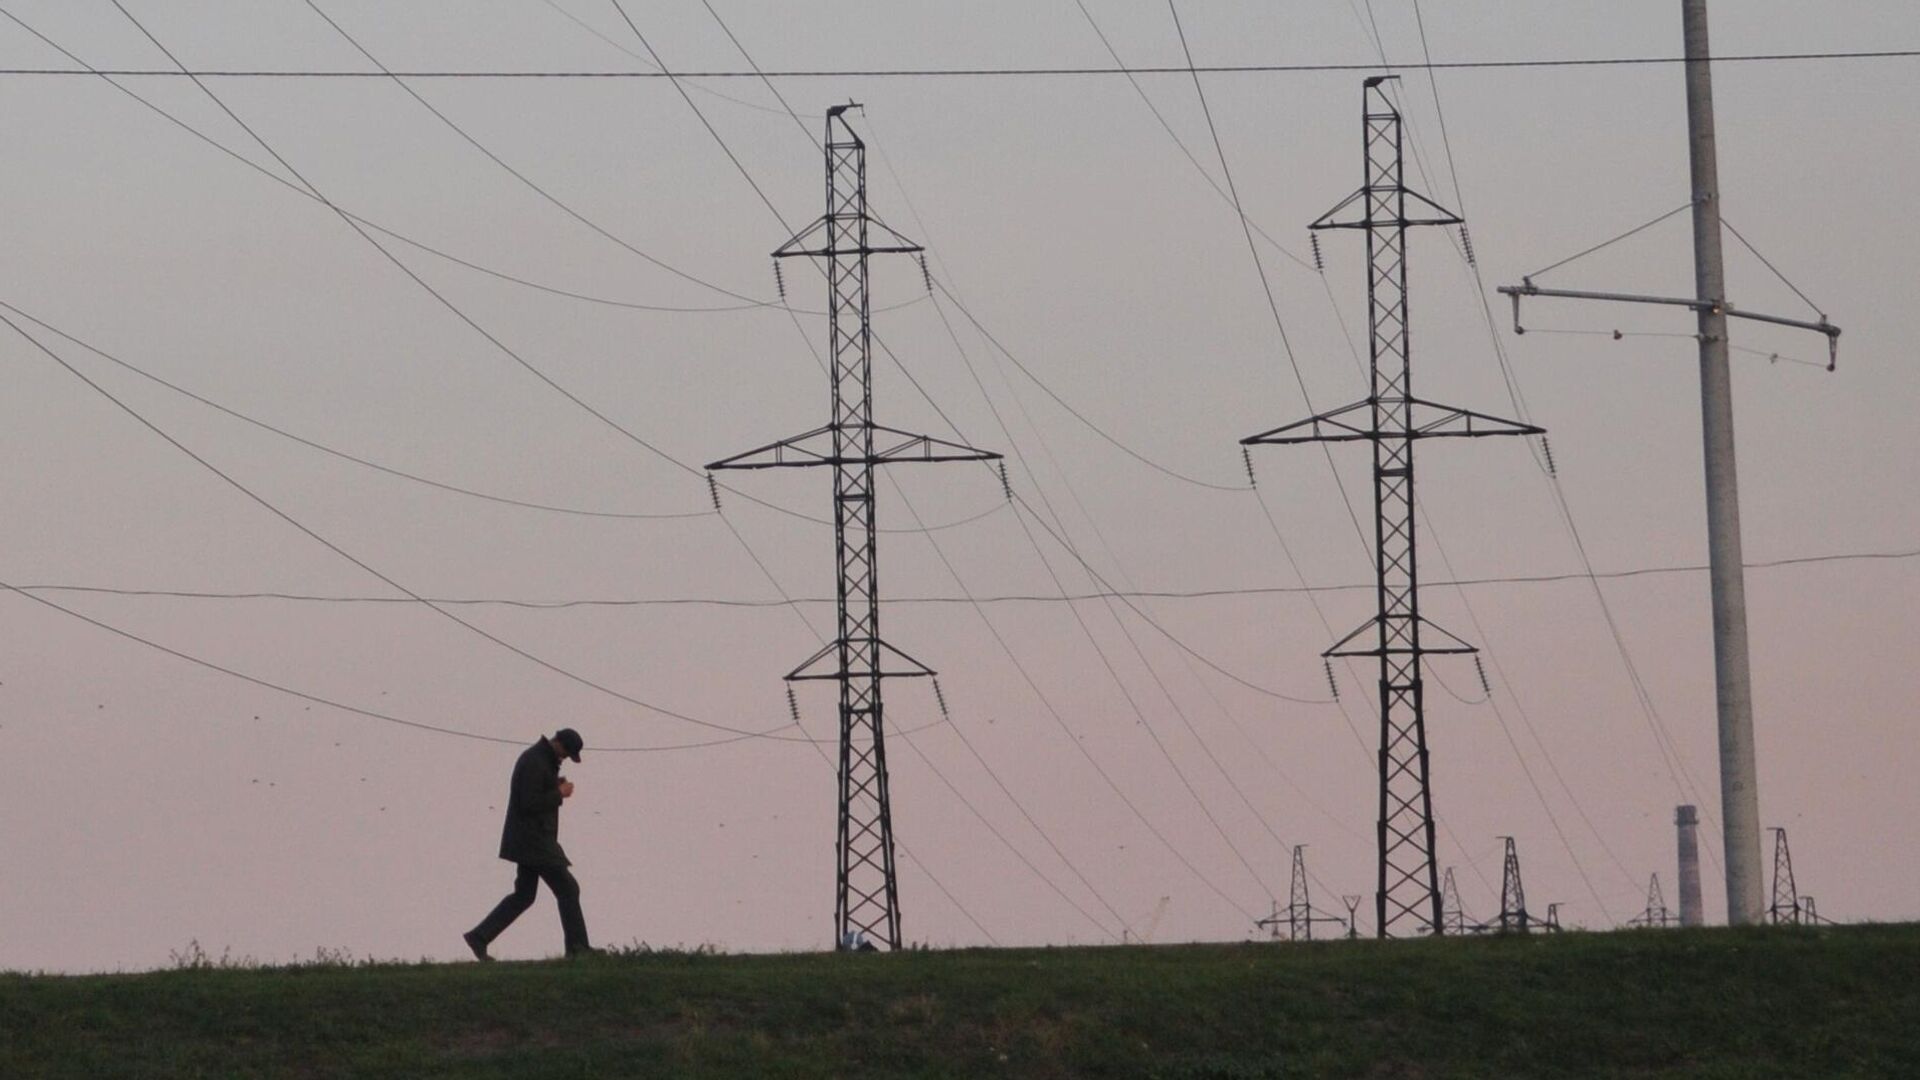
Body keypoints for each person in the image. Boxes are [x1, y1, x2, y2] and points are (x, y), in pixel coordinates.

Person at [463, 728, 600, 959]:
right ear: (558, 744)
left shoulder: (539, 760)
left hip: (529, 841)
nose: (564, 759)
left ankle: (479, 936)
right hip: (534, 841)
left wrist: (553, 784)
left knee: (524, 896)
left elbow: (533, 792)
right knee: (568, 889)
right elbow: (528, 803)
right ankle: (578, 949)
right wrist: (559, 793)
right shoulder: (535, 761)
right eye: (565, 754)